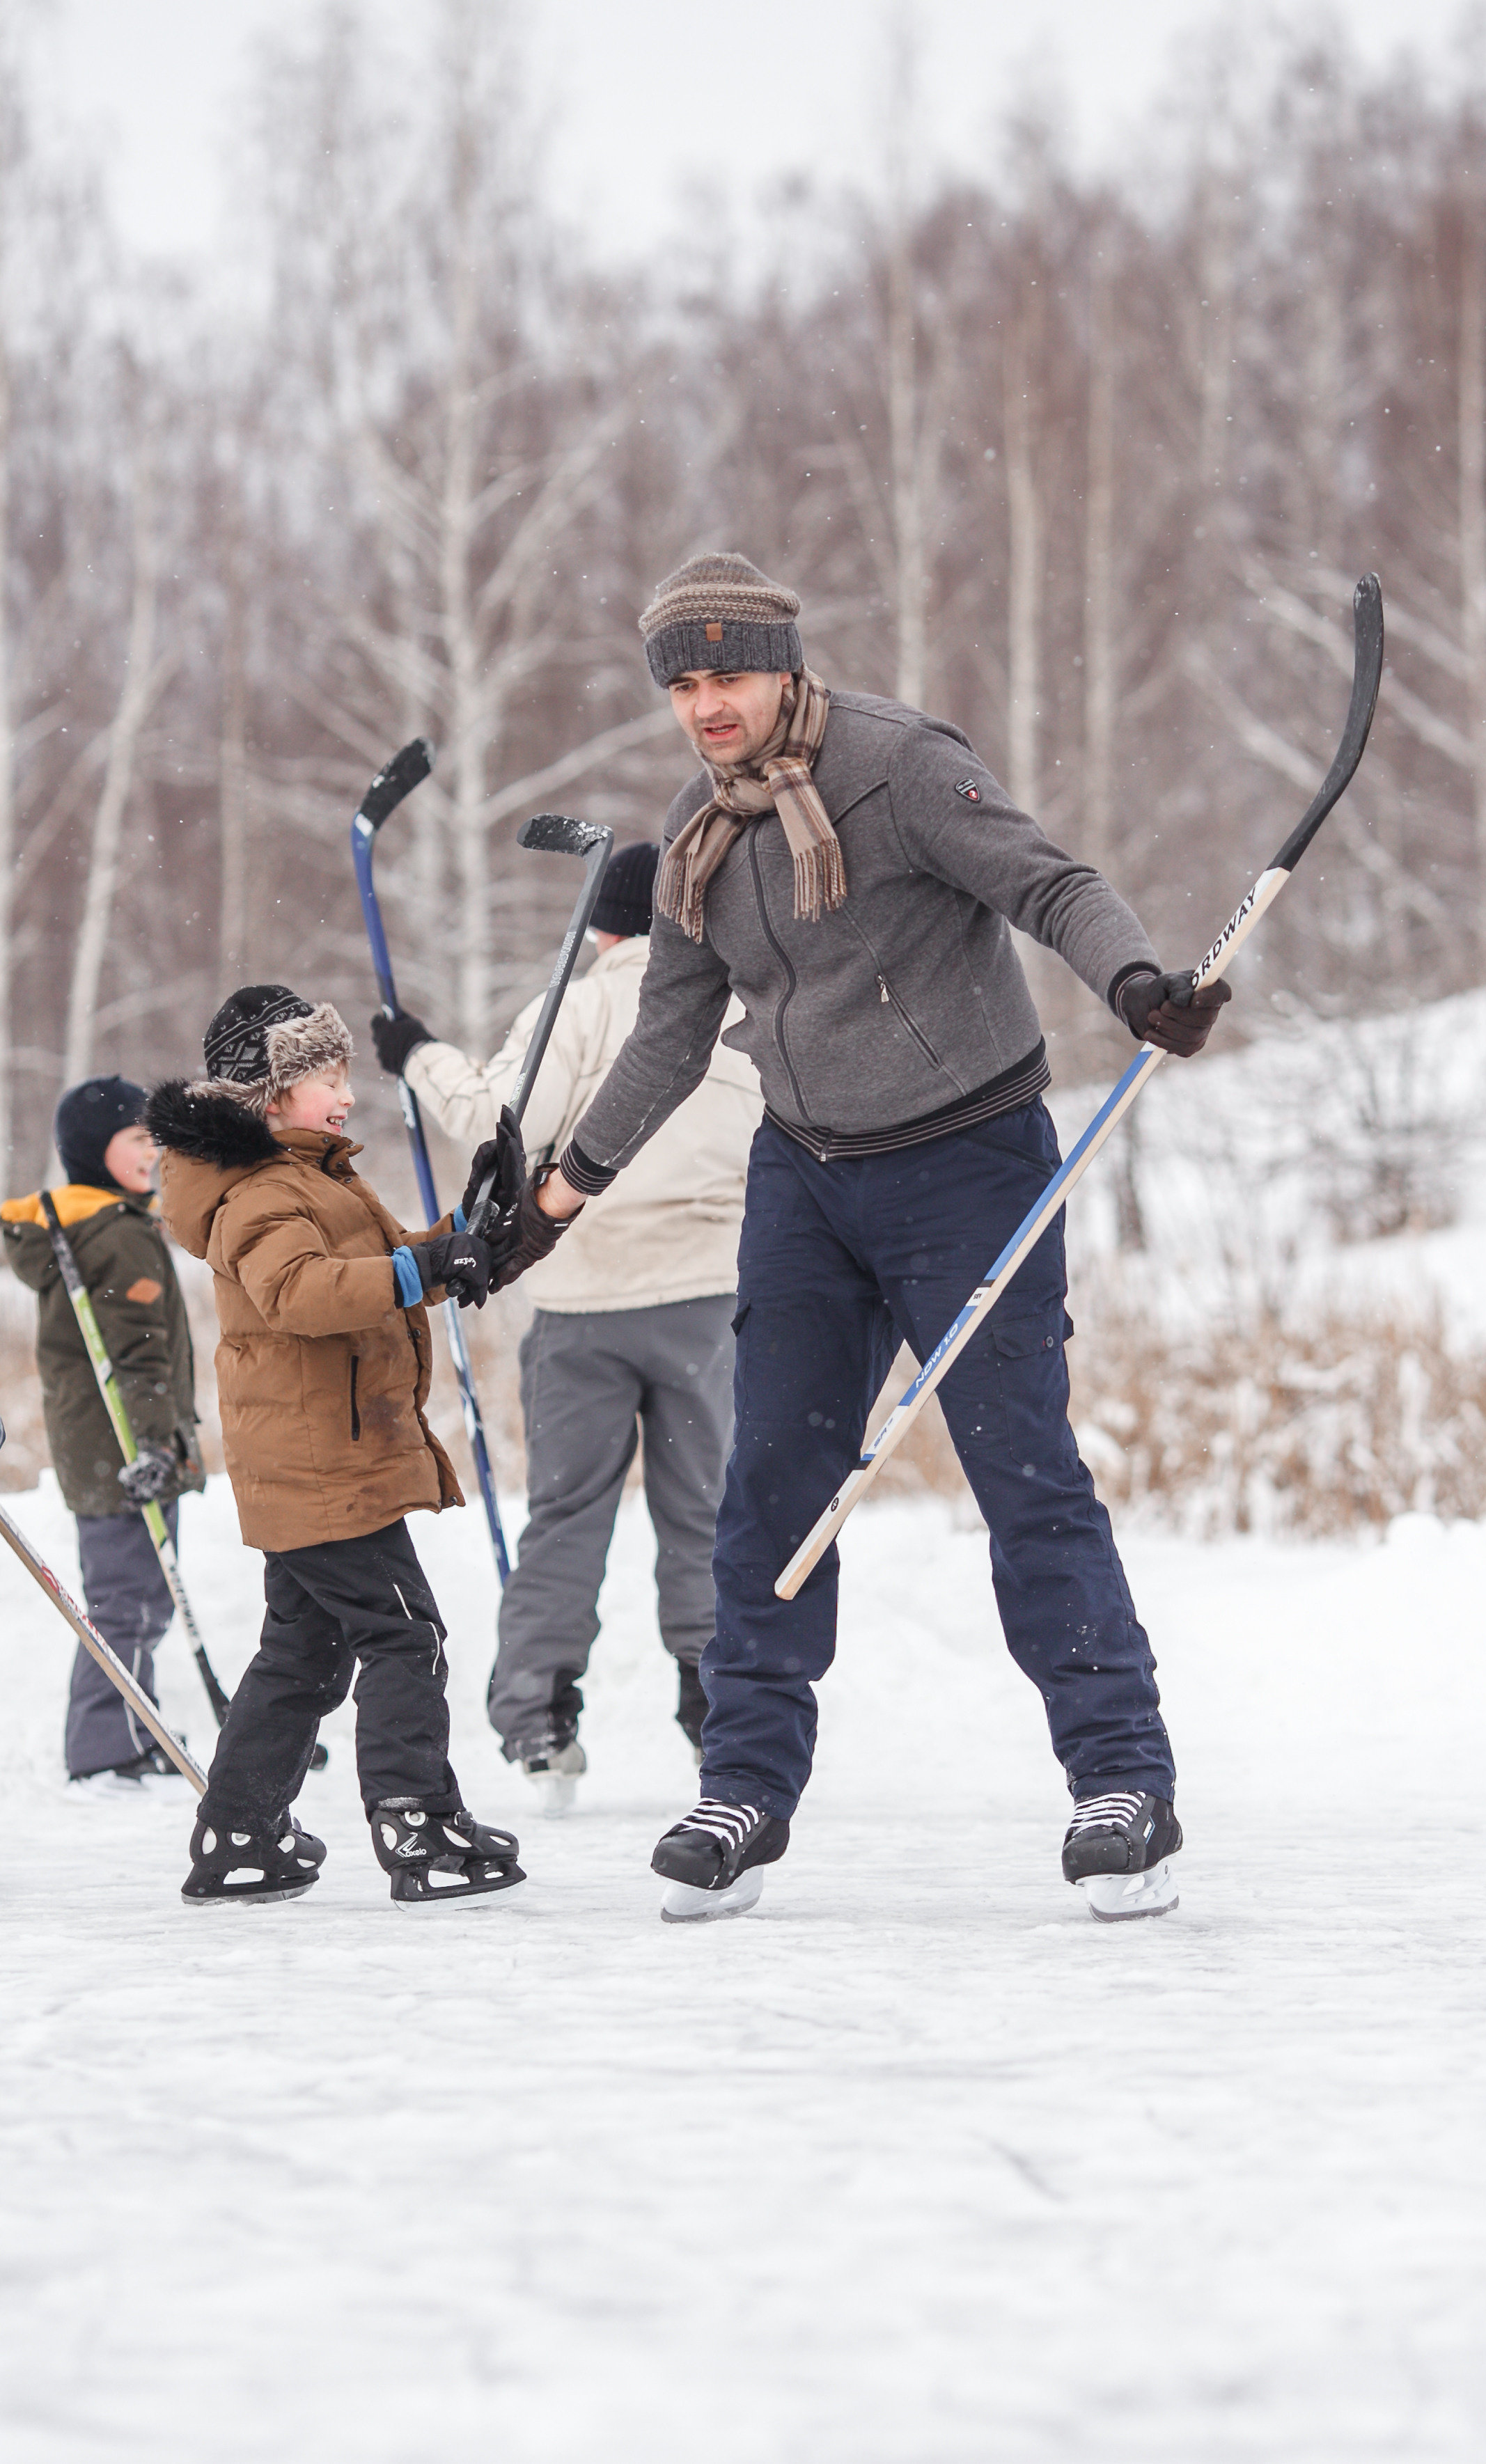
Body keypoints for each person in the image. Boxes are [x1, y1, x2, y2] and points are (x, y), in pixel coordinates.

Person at [514, 552, 1230, 1923]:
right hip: (808, 1178)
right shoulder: (696, 830)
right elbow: (670, 1027)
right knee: (768, 1484)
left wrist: (1138, 983)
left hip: (969, 1161)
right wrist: (563, 1191)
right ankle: (743, 1788)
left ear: (784, 665)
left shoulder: (899, 766)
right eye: (683, 682)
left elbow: (1053, 884)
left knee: (1021, 1471)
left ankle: (1121, 1781)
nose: (705, 704)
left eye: (726, 673)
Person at [370, 841, 762, 1813]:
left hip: (579, 1301)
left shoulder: (577, 1006)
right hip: (709, 1298)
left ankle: (539, 1713)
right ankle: (716, 1704)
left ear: (602, 926)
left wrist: (414, 1051)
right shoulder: (740, 1001)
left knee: (567, 1512)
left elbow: (494, 1114)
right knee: (705, 1510)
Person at [146, 983, 530, 1908]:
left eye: (345, 1071)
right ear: (268, 1095)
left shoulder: (312, 1176)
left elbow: (389, 1271)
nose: (345, 1093)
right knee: (407, 1636)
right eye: (326, 1075)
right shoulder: (259, 1192)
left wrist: (472, 1230)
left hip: (316, 1455)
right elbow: (305, 1292)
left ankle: (240, 1828)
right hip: (324, 1461)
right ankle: (415, 1817)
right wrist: (424, 1264)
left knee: (302, 1650)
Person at [2, 1075, 205, 1794]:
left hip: (105, 1444)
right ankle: (100, 1743)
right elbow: (140, 1356)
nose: (152, 1150)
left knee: (137, 1594)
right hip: (124, 1446)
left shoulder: (91, 1222)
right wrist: (157, 1445)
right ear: (95, 1150)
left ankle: (130, 1723)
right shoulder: (115, 1232)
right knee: (127, 1599)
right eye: (136, 1138)